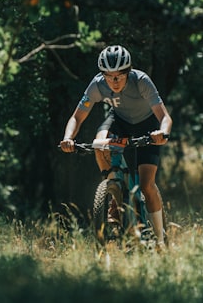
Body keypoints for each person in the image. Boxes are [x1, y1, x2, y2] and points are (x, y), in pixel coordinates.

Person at [59, 44, 173, 248]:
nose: (114, 81)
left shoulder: (141, 81)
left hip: (147, 125)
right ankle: (113, 187)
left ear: (128, 72)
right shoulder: (97, 84)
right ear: (102, 74)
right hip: (119, 121)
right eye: (109, 76)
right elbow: (77, 117)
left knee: (147, 185)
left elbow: (164, 116)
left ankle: (161, 241)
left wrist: (162, 133)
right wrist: (68, 138)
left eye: (119, 76)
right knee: (98, 143)